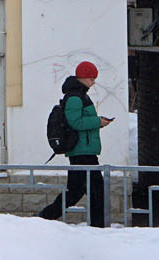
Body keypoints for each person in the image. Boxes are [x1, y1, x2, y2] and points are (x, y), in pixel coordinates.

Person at [39, 60, 113, 227]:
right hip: (81, 151)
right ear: (83, 78)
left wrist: (98, 121)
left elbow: (79, 121)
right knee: (94, 190)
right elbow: (75, 122)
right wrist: (97, 121)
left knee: (78, 191)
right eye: (91, 79)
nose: (93, 82)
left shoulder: (79, 95)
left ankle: (45, 216)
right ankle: (97, 226)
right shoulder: (75, 97)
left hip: (83, 150)